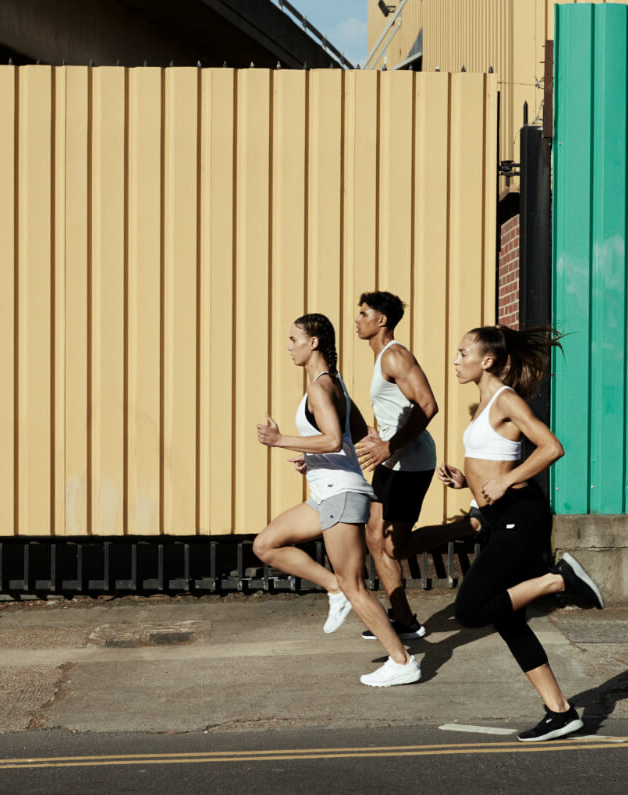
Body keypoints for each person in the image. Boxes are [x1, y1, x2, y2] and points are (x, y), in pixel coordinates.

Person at [439, 324, 604, 742]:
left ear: (487, 360)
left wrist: (506, 480)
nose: (456, 361)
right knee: (508, 621)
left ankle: (557, 579)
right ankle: (561, 712)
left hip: (521, 515)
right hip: (500, 518)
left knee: (470, 611)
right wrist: (467, 482)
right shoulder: (483, 403)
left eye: (463, 353)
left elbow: (551, 447)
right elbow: (490, 461)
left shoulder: (505, 398)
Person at [253, 312, 421, 687]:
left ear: (314, 342)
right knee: (265, 545)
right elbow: (355, 434)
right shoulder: (334, 384)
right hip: (326, 495)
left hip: (342, 496)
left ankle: (402, 660)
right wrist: (311, 458)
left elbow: (331, 439)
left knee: (355, 585)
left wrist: (280, 440)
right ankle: (332, 587)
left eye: (294, 339)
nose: (289, 347)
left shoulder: (320, 386)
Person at [355, 291, 473, 643]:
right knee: (374, 536)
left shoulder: (395, 355)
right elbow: (398, 407)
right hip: (393, 460)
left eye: (364, 314)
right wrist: (382, 435)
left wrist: (389, 444)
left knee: (396, 547)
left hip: (411, 462)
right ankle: (403, 619)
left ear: (382, 321)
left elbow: (427, 405)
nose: (357, 320)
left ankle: (469, 526)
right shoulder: (380, 359)